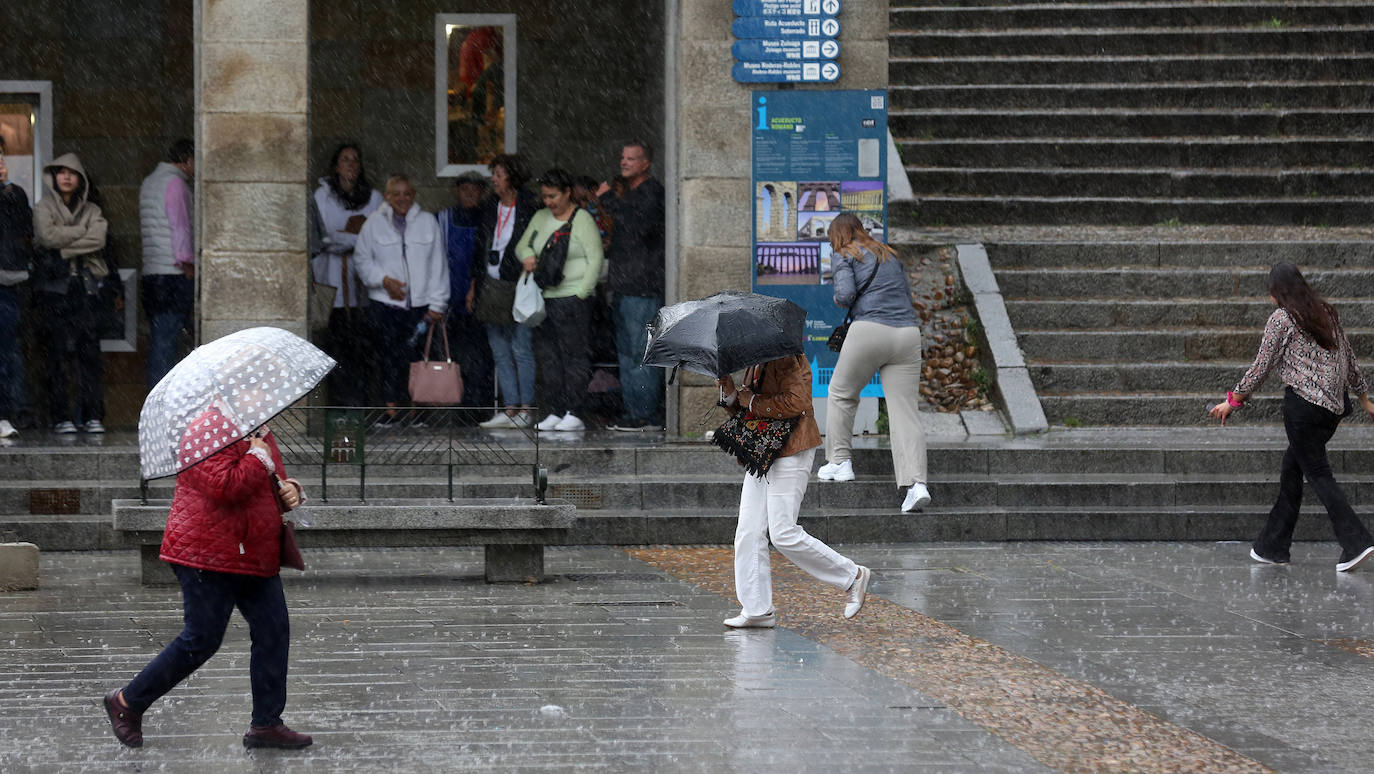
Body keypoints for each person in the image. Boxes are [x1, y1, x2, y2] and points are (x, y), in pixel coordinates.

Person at [103, 413, 313, 749]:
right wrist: (258, 457)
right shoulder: (207, 429)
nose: (259, 391)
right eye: (252, 382)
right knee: (201, 640)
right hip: (207, 553)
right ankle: (127, 702)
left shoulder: (257, 428)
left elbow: (268, 483)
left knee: (273, 631)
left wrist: (289, 491)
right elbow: (224, 487)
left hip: (254, 551)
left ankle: (266, 724)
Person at [1209, 262, 1374, 572]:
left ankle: (1356, 542)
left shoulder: (1282, 319)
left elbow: (1261, 367)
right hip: (1332, 410)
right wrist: (1365, 400)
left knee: (1318, 473)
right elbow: (1348, 358)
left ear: (1277, 292)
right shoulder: (1326, 312)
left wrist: (1232, 401)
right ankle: (1273, 546)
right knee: (1292, 470)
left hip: (1303, 410)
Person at [716, 355, 871, 627]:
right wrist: (730, 394)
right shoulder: (757, 359)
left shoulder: (788, 356)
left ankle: (853, 576)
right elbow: (750, 411)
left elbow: (797, 402)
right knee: (749, 531)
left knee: (783, 532)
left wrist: (750, 400)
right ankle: (757, 609)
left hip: (792, 447)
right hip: (764, 449)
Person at [817, 213, 929, 513]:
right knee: (905, 412)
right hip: (907, 334)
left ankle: (840, 462)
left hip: (870, 330)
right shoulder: (887, 252)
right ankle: (916, 485)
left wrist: (840, 297)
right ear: (860, 229)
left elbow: (845, 294)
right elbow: (906, 293)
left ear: (837, 235)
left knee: (841, 393)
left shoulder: (844, 253)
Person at [352, 174, 448, 425]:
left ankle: (418, 411)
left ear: (414, 194)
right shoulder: (373, 224)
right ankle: (391, 411)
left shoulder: (428, 222)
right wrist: (383, 281)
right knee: (388, 357)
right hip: (386, 303)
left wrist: (438, 303)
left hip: (422, 304)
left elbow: (439, 264)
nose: (402, 199)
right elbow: (361, 260)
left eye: (407, 193)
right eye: (396, 194)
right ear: (387, 196)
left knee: (418, 359)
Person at [517, 168, 603, 432]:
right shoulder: (541, 217)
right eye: (545, 197)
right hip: (546, 299)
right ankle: (554, 409)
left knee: (574, 357)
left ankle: (574, 411)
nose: (549, 202)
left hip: (574, 298)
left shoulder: (583, 220)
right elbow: (522, 245)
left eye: (553, 196)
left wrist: (581, 294)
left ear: (568, 193)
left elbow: (595, 259)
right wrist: (528, 255)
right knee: (549, 357)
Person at [32, 152, 109, 434]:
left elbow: (98, 237)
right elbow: (45, 236)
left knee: (89, 355)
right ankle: (60, 415)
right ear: (54, 177)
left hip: (85, 289)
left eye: (72, 173)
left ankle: (92, 415)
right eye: (61, 172)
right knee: (55, 355)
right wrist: (80, 236)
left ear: (80, 179)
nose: (66, 177)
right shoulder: (43, 207)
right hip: (54, 290)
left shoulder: (93, 210)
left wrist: (63, 248)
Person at [597, 142, 665, 432]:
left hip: (642, 288)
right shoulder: (633, 194)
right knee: (627, 353)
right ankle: (633, 411)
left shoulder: (652, 192)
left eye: (631, 158)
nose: (623, 162)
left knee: (640, 353)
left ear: (645, 163)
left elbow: (637, 225)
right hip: (626, 287)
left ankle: (645, 415)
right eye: (622, 157)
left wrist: (608, 198)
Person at [311, 144, 384, 406]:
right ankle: (339, 404)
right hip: (332, 285)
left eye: (355, 160)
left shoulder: (374, 197)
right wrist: (355, 237)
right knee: (336, 349)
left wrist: (349, 237)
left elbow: (377, 235)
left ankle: (360, 404)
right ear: (336, 166)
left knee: (363, 349)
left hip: (363, 285)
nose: (351, 165)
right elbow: (324, 236)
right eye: (345, 160)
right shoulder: (323, 196)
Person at [474, 155, 538, 429]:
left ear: (511, 177)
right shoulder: (490, 206)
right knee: (499, 349)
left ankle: (527, 408)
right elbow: (480, 246)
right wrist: (473, 284)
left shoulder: (530, 205)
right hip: (491, 284)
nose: (494, 179)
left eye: (498, 174)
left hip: (519, 283)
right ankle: (509, 408)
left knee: (521, 347)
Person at [139, 139, 195, 390]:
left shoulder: (150, 181)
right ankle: (161, 399)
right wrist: (188, 264)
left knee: (159, 340)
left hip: (152, 272)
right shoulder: (176, 184)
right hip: (172, 274)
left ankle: (155, 395)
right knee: (167, 343)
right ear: (188, 160)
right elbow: (180, 226)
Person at [437, 171, 495, 416]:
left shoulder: (491, 218)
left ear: (482, 192)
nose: (470, 193)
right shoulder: (442, 219)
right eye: (465, 189)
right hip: (451, 302)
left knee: (485, 355)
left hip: (485, 300)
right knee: (453, 357)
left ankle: (480, 406)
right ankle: (457, 407)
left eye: (475, 189)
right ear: (456, 191)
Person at [0, 136, 32, 438]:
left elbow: (25, 231)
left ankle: (6, 414)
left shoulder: (14, 194)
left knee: (7, 352)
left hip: (6, 282)